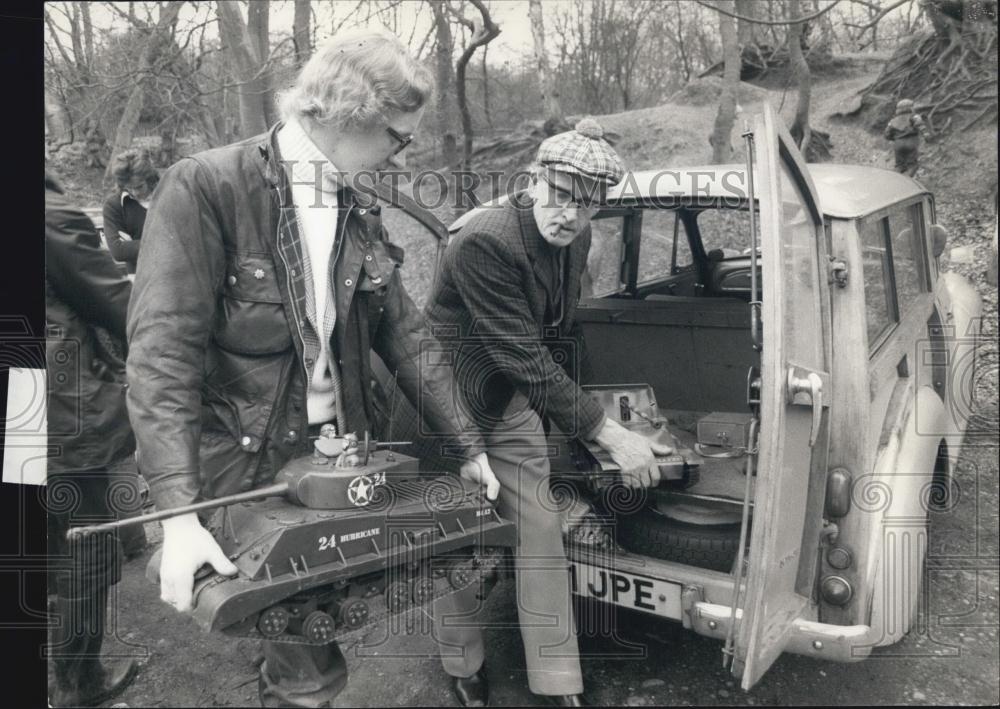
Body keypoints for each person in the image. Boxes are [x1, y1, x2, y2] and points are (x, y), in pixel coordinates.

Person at [125, 29, 499, 708]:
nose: (401, 152)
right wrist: (178, 514)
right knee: (309, 667)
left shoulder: (357, 205)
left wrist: (468, 443)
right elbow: (162, 356)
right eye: (396, 135)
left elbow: (406, 333)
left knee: (315, 626)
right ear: (345, 112)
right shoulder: (209, 186)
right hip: (243, 463)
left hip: (336, 459)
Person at [425, 119, 673, 707]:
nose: (568, 214)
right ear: (534, 178)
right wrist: (605, 431)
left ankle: (557, 679)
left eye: (586, 205)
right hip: (444, 405)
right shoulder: (485, 239)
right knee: (453, 535)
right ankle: (462, 663)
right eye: (559, 194)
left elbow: (559, 338)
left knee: (539, 531)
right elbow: (522, 354)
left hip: (510, 397)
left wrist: (607, 426)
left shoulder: (575, 238)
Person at [45, 171, 140, 707]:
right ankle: (79, 685)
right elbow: (116, 305)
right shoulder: (49, 216)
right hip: (60, 413)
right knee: (87, 548)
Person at [103, 148, 159, 275]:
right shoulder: (114, 205)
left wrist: (134, 244)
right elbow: (118, 251)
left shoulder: (167, 195)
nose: (135, 193)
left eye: (139, 187)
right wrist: (166, 242)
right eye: (128, 188)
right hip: (138, 277)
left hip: (175, 275)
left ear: (150, 179)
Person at [884, 99, 932, 176]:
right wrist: (926, 135)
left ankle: (894, 180)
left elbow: (887, 134)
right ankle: (907, 181)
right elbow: (920, 125)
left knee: (899, 166)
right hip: (911, 142)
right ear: (910, 108)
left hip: (898, 144)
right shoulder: (914, 116)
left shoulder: (893, 120)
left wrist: (895, 139)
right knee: (912, 165)